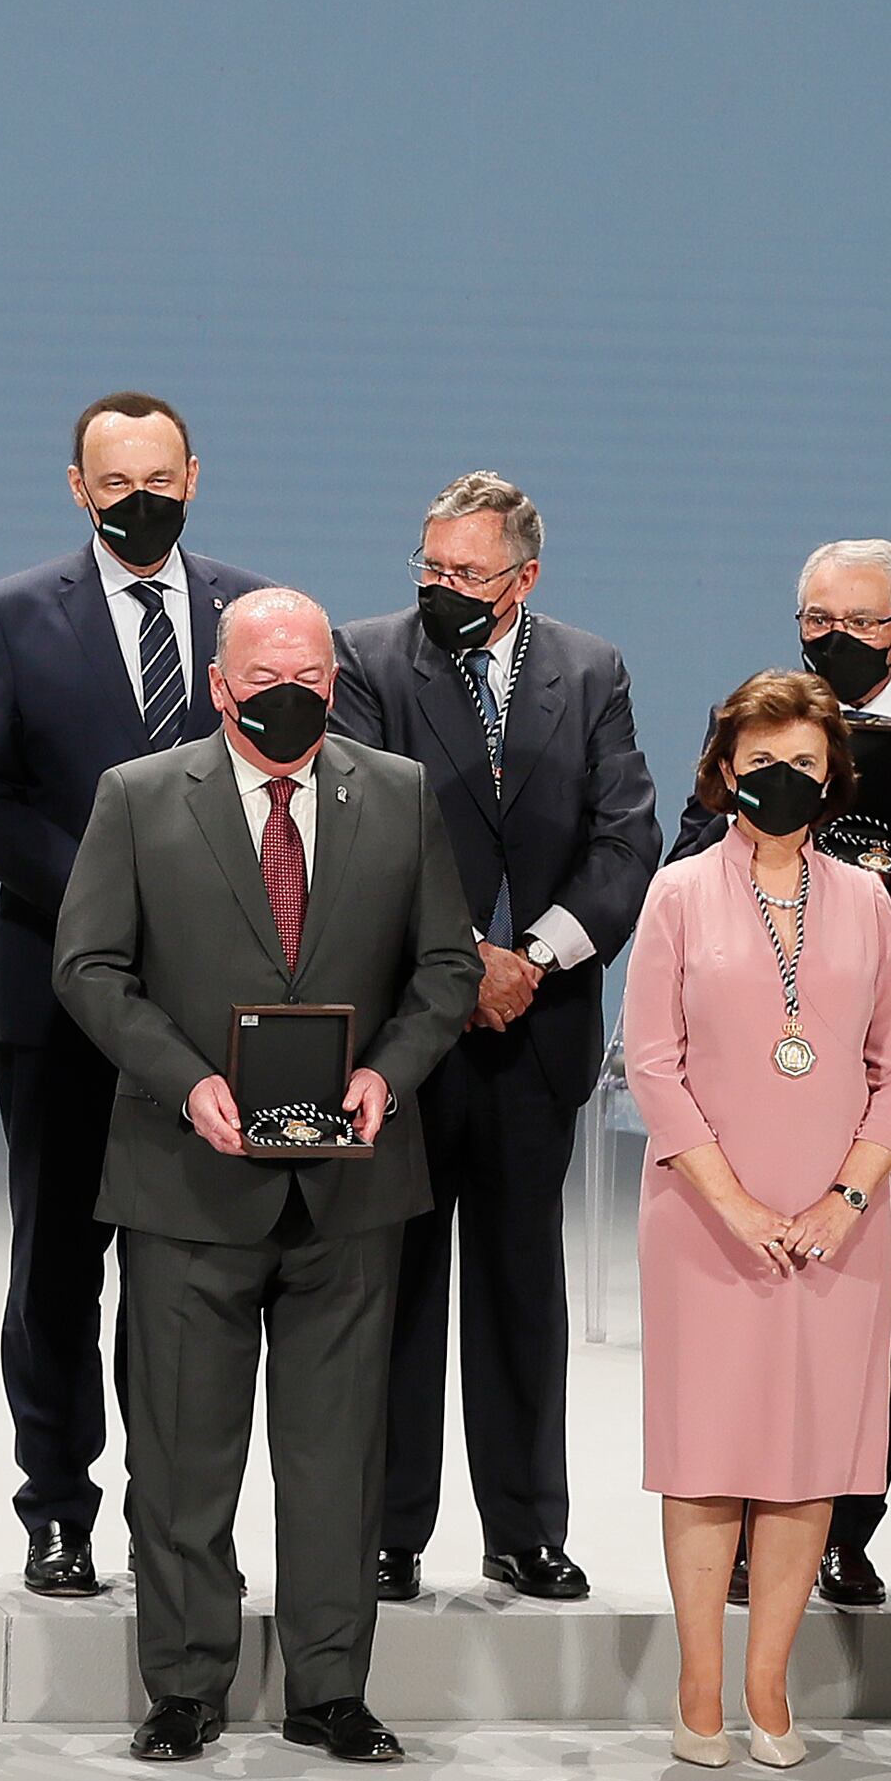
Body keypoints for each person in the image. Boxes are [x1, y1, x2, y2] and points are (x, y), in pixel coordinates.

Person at [50, 588, 476, 1767]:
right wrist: (186, 1080)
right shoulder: (139, 797)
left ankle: (328, 1688)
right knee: (182, 1456)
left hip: (350, 1183)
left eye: (309, 674)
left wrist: (389, 1073)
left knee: (337, 1458)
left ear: (332, 681)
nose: (289, 692)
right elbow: (87, 964)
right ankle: (184, 1685)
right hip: (187, 1174)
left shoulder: (393, 792)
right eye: (264, 674)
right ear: (220, 682)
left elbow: (443, 964)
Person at [0, 391, 275, 1597]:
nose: (139, 495)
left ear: (192, 472)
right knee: (53, 1265)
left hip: (212, 1005)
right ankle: (55, 1507)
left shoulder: (251, 612)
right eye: (113, 479)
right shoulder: (10, 611)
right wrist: (109, 900)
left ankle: (177, 1513)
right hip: (58, 999)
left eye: (159, 474)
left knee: (187, 1269)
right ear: (78, 488)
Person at [666, 540, 891, 1607]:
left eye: (858, 620)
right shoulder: (761, 721)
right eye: (815, 615)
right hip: (749, 1082)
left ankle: (841, 1528)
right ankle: (735, 1527)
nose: (832, 637)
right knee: (745, 1297)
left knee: (868, 1308)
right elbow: (686, 844)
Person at [328, 472, 658, 1604]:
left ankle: (522, 1527)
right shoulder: (364, 658)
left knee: (522, 1286)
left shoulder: (592, 667)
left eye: (463, 573)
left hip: (538, 1029)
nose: (439, 588)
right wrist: (465, 960)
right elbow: (362, 823)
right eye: (428, 566)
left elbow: (627, 836)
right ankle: (386, 1528)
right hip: (413, 1029)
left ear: (523, 578)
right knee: (401, 1285)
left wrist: (540, 955)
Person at [624, 673, 891, 1768]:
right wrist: (737, 1202)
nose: (779, 782)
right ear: (722, 772)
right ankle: (698, 1682)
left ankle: (768, 1683)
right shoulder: (676, 895)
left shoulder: (866, 900)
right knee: (707, 1453)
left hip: (838, 1228)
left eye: (800, 763)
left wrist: (844, 1196)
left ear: (832, 774)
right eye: (759, 765)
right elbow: (650, 1065)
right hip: (705, 1220)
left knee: (803, 1458)